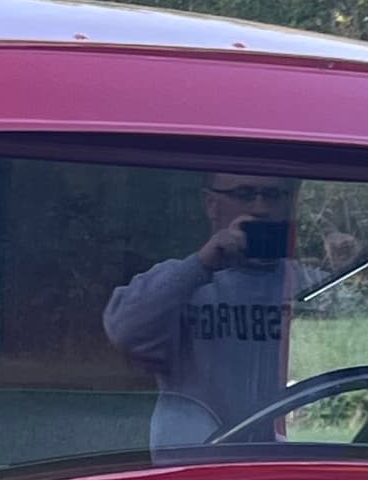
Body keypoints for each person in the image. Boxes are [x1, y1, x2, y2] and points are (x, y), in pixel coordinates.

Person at [104, 171, 305, 453]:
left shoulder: (305, 284)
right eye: (245, 194)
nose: (260, 208)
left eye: (272, 196)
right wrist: (202, 265)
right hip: (193, 466)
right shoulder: (182, 282)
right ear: (211, 204)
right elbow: (124, 332)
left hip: (275, 464)